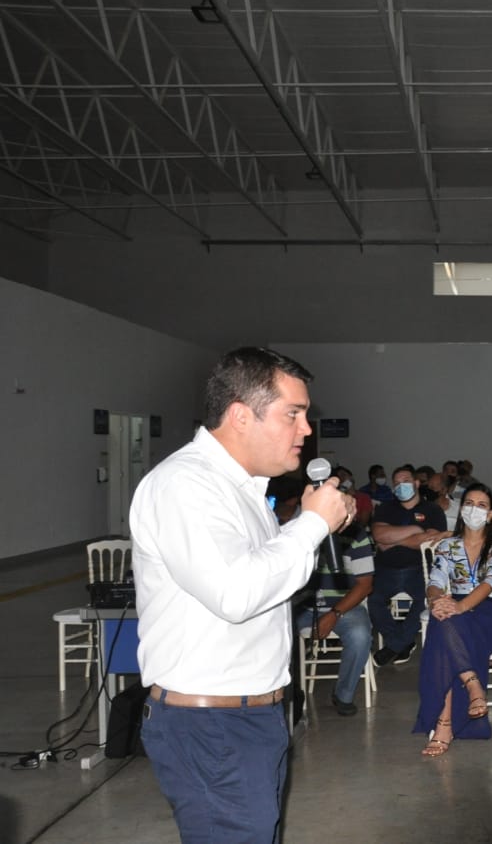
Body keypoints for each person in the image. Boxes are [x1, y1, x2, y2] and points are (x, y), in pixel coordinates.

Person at [130, 347, 354, 843]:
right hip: (211, 724)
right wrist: (312, 524)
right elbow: (236, 593)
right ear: (239, 415)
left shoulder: (247, 491)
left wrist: (305, 528)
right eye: (292, 415)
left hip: (253, 716)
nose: (306, 430)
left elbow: (265, 581)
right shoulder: (184, 485)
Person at [415, 485, 492, 757]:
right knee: (443, 623)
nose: (473, 509)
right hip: (453, 606)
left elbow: (490, 583)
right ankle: (472, 686)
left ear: (491, 514)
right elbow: (434, 582)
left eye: (481, 505)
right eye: (469, 503)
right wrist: (438, 601)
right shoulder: (447, 545)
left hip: (489, 610)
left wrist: (459, 606)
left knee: (445, 624)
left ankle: (443, 724)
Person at [370, 464, 449, 667]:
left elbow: (431, 541)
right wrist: (415, 530)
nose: (400, 486)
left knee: (425, 599)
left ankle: (395, 645)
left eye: (405, 481)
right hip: (386, 569)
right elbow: (379, 536)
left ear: (416, 483)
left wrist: (392, 539)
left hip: (419, 569)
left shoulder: (432, 510)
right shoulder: (385, 508)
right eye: (396, 483)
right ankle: (402, 642)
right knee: (372, 600)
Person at [295, 525, 375, 716]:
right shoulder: (296, 528)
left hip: (345, 606)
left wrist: (333, 614)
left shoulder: (356, 535)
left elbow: (365, 586)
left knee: (360, 636)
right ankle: (287, 697)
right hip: (301, 606)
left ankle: (343, 694)